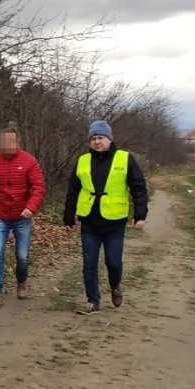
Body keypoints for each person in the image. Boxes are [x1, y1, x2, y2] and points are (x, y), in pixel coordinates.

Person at [63, 120, 148, 315]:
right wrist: (68, 216)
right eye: (93, 138)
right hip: (89, 222)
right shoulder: (83, 161)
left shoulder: (125, 159)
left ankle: (115, 284)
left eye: (100, 138)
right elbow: (72, 190)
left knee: (113, 262)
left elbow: (139, 187)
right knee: (89, 264)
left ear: (110, 139)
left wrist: (140, 214)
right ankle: (93, 301)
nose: (97, 142)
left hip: (114, 223)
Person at [0, 128, 46, 308]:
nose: (7, 146)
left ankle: (21, 281)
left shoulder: (29, 161)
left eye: (11, 142)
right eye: (4, 142)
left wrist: (31, 208)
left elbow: (39, 187)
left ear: (17, 142)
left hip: (22, 215)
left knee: (22, 256)